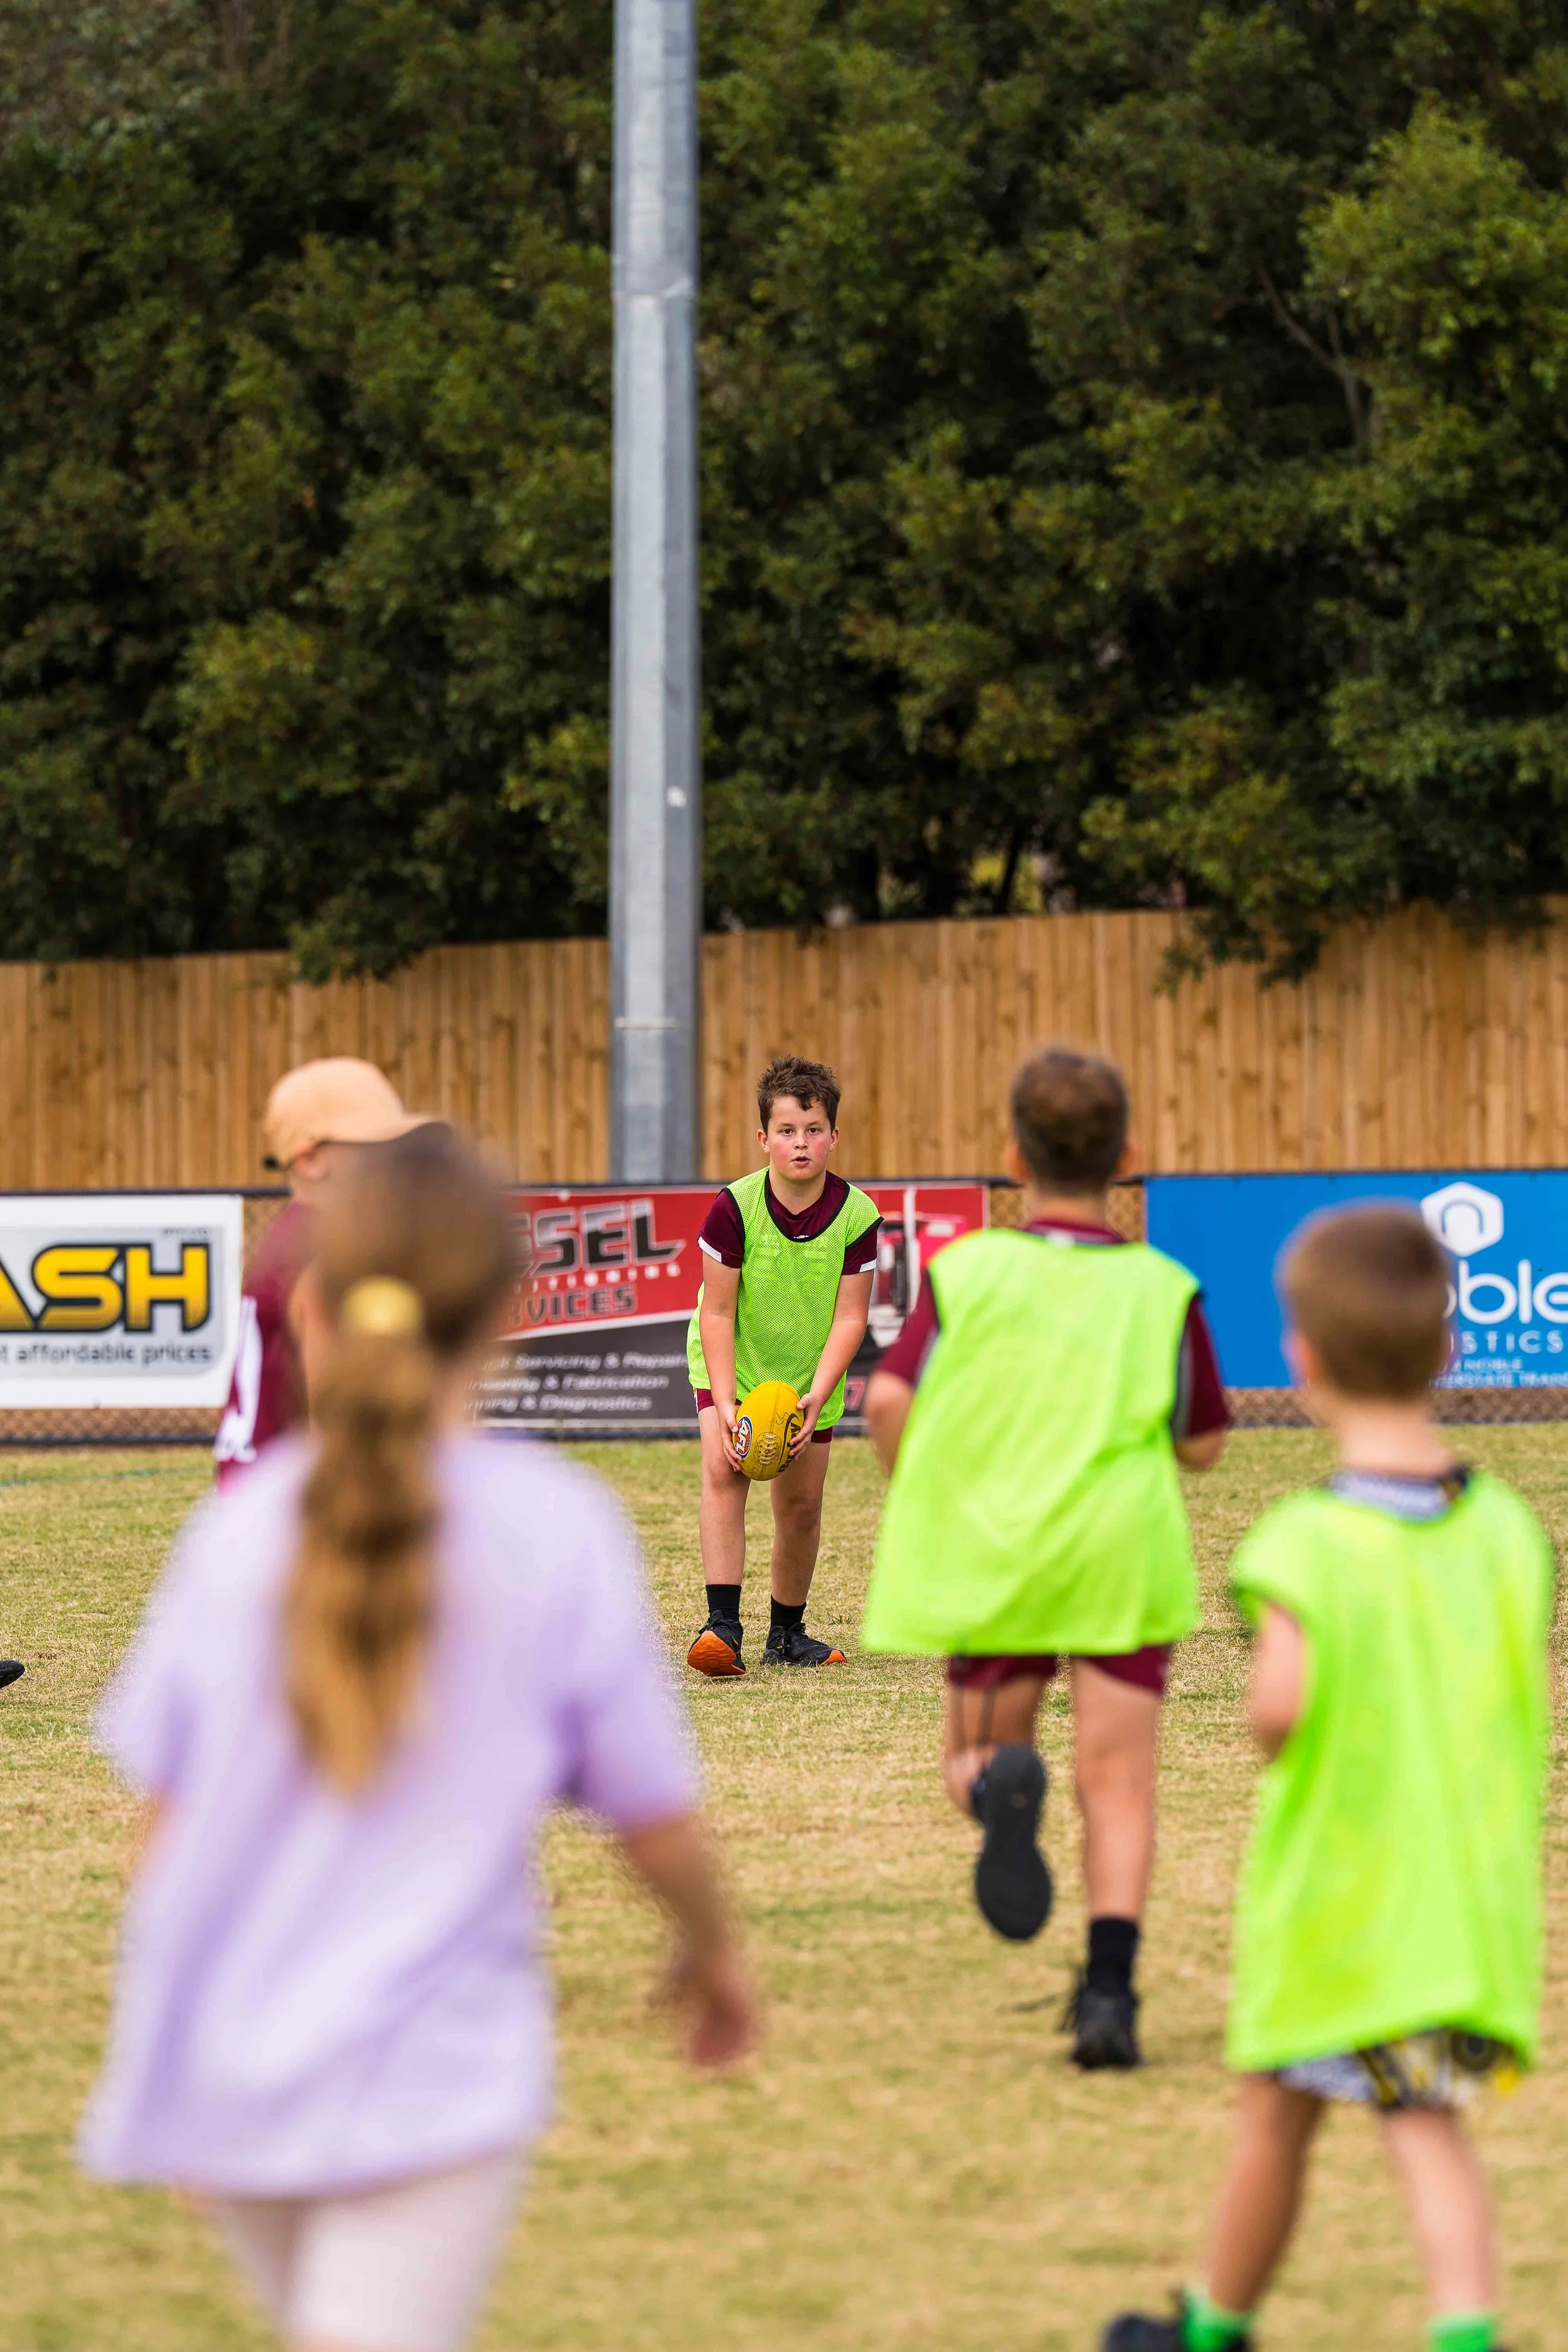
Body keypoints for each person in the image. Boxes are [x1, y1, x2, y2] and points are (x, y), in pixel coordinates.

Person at [83, 1131, 758, 2352]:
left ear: (316, 1311)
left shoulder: (233, 1539)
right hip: (432, 2080)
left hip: (236, 2071)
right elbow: (651, 1816)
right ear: (509, 1312)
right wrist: (714, 1955)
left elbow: (161, 1841)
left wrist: (173, 2061)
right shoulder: (556, 1531)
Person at [1104, 1205, 1550, 2352]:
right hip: (1461, 1903)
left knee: (1315, 2127)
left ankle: (1271, 2330)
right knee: (1360, 2120)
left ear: (1299, 1360)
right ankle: (1281, 2325)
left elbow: (1277, 1713)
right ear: (1451, 1348)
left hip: (1343, 1910)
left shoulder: (1301, 1542)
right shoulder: (1507, 1527)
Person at [862, 1046, 1228, 2069]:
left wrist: (928, 1483)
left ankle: (997, 1793)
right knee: (1119, 1784)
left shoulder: (965, 1271)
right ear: (1131, 1159)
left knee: (970, 1757)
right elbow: (1203, 1444)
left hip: (999, 1556)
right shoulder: (1162, 1286)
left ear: (1011, 1158)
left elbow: (888, 1399)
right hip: (1121, 1555)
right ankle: (1110, 1994)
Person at [684, 1054, 880, 1675]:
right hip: (731, 1365)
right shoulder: (733, 1207)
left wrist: (816, 1397)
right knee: (724, 1472)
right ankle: (723, 1630)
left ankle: (787, 1635)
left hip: (806, 1377)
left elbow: (851, 1318)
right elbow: (716, 1314)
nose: (802, 1143)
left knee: (801, 1506)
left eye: (814, 1129)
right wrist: (724, 1406)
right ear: (763, 1137)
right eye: (788, 1130)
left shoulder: (858, 1216)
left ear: (834, 1136)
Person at [213, 1058, 437, 1485]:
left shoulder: (291, 1235)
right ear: (311, 1160)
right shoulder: (329, 1253)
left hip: (250, 1497)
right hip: (293, 1515)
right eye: (374, 1146)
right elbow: (337, 1428)